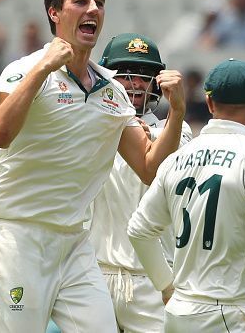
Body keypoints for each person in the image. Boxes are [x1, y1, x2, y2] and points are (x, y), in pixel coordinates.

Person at [0, 0, 186, 332]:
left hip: (74, 242)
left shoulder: (112, 90)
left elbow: (149, 167)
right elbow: (0, 133)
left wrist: (179, 110)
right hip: (17, 235)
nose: (93, 9)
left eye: (99, 2)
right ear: (54, 12)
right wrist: (43, 68)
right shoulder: (24, 69)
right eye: (81, 1)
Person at [127, 58, 245, 332]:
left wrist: (167, 287)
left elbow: (139, 230)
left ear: (210, 103)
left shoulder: (178, 158)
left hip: (179, 314)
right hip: (226, 313)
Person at [89, 33, 193, 332]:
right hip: (95, 273)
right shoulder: (93, 122)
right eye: (126, 76)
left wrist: (177, 110)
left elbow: (155, 166)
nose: (136, 84)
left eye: (145, 76)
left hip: (154, 278)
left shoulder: (177, 129)